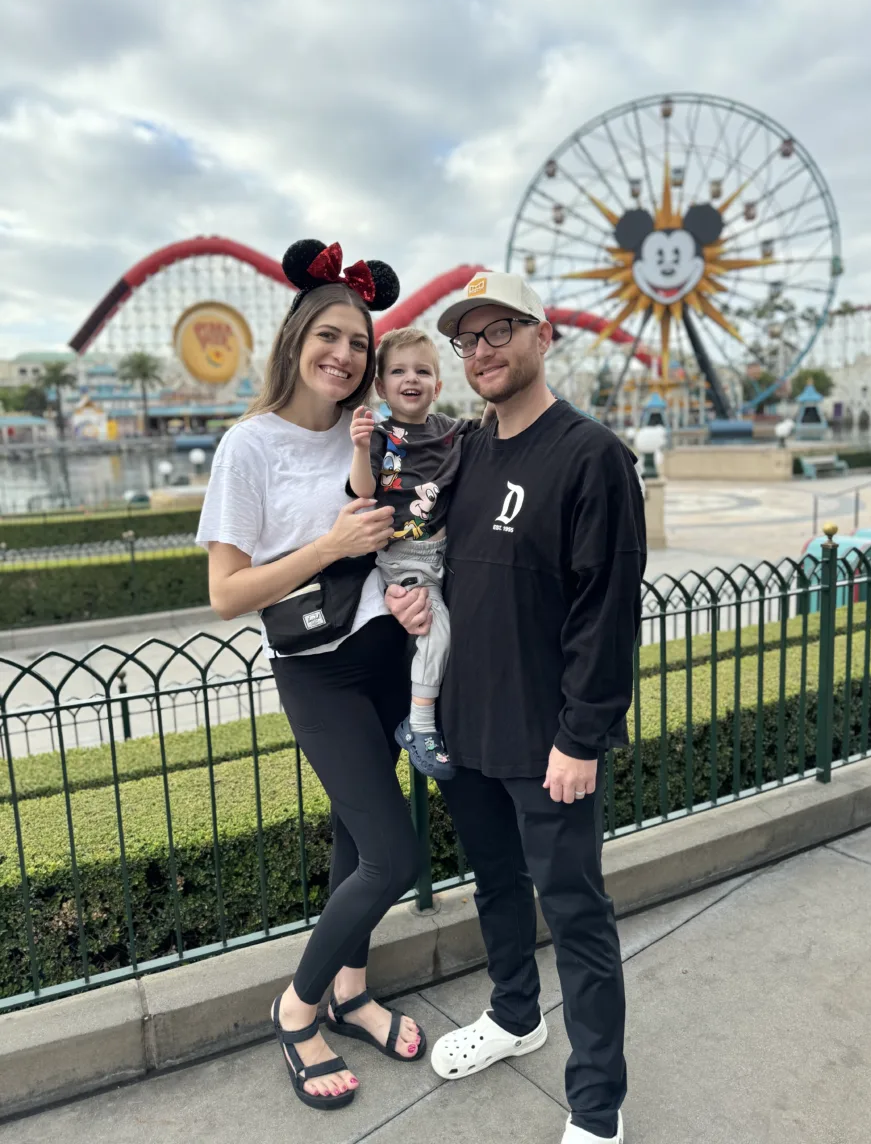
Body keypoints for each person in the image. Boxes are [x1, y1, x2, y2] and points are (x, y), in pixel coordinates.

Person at [386, 271, 646, 1144]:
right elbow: (434, 561)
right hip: (467, 725)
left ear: (544, 336)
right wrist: (408, 601)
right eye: (469, 339)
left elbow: (607, 611)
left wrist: (581, 738)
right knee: (495, 886)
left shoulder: (591, 455)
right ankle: (513, 1014)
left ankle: (598, 1106)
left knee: (576, 912)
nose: (483, 351)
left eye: (501, 330)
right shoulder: (465, 450)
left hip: (548, 739)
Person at [196, 238, 427, 1113]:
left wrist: (411, 589)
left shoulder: (371, 433)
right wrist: (329, 546)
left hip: (387, 657)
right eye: (329, 335)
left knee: (355, 840)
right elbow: (227, 594)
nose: (345, 354)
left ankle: (352, 993)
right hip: (317, 672)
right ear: (295, 338)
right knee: (394, 855)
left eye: (359, 343)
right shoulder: (248, 447)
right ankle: (297, 1008)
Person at [347, 326, 486, 778]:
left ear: (438, 386)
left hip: (447, 554)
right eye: (399, 371)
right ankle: (420, 725)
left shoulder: (450, 431)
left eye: (423, 372)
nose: (411, 379)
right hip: (405, 558)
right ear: (381, 386)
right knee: (435, 630)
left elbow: (490, 426)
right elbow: (362, 491)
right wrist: (360, 447)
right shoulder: (380, 436)